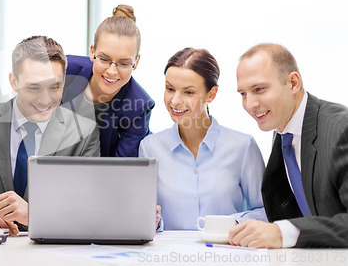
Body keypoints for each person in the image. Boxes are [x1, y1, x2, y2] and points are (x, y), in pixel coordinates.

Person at [0, 36, 100, 234]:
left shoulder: (84, 133)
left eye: (55, 87)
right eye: (34, 87)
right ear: (13, 81)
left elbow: (88, 211)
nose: (45, 100)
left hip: (52, 252)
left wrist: (34, 215)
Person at [230, 43, 348, 248]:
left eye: (259, 89)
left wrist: (282, 232)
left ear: (293, 83)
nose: (250, 104)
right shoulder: (283, 131)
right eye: (243, 94)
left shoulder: (340, 129)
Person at [139, 48, 267, 230]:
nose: (175, 101)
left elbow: (266, 211)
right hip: (168, 255)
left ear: (211, 94)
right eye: (170, 89)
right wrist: (153, 221)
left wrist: (233, 223)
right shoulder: (149, 148)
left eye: (188, 92)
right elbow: (145, 214)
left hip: (226, 254)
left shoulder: (243, 147)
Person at [63, 4, 154, 157]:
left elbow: (123, 168)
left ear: (136, 62)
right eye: (104, 59)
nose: (112, 71)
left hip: (102, 177)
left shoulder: (139, 106)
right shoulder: (65, 71)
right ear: (92, 52)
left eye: (124, 63)